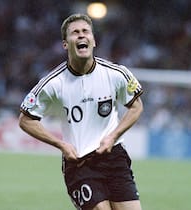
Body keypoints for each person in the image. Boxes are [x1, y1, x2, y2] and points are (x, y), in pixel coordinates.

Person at [19, 13, 144, 210]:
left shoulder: (115, 74)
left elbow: (136, 107)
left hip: (114, 157)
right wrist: (60, 144)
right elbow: (25, 120)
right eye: (74, 33)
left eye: (85, 31)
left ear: (93, 40)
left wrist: (113, 137)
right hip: (79, 164)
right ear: (65, 44)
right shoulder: (53, 83)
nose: (81, 36)